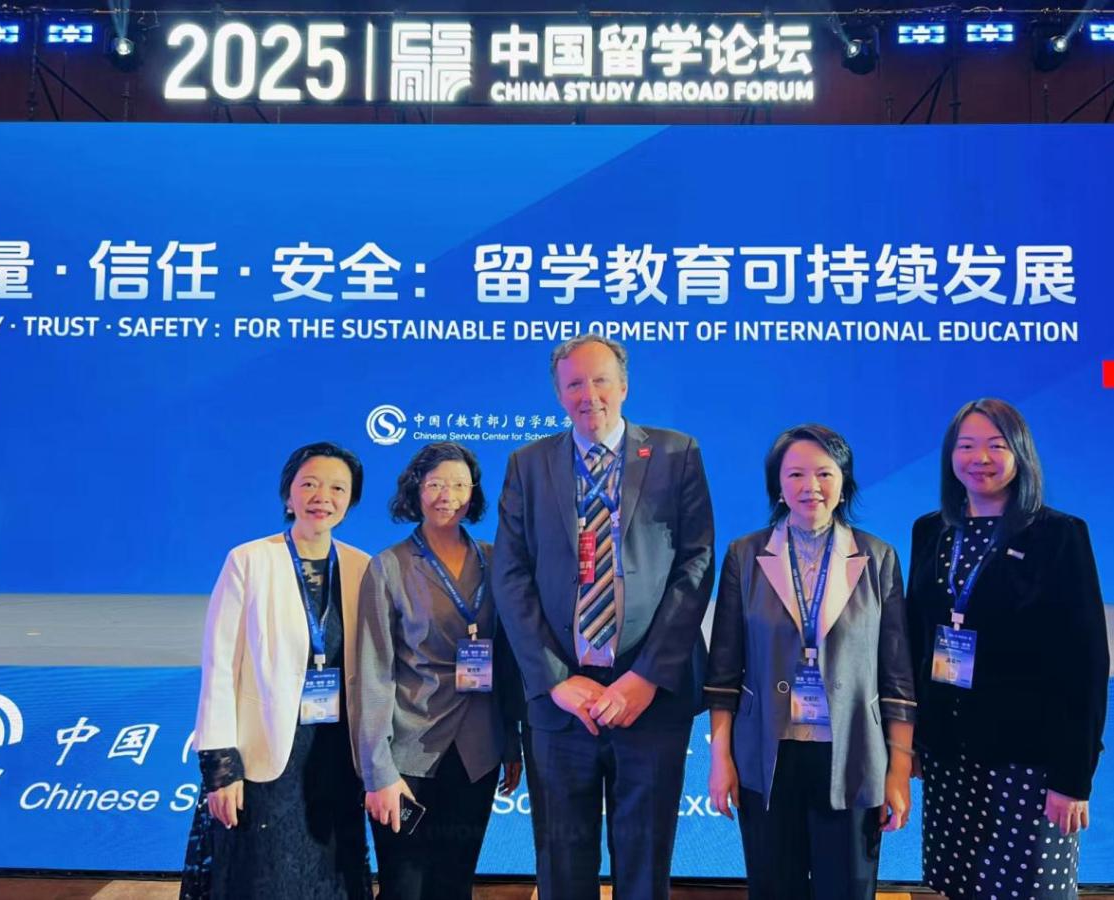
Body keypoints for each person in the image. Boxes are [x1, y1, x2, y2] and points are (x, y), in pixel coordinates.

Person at [492, 334, 715, 900]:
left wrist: (647, 677)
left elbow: (695, 566)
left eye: (599, 381)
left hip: (648, 697)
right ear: (558, 393)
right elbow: (511, 576)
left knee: (644, 865)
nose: (588, 395)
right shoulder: (528, 464)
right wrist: (555, 679)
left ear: (624, 386)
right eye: (574, 384)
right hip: (560, 702)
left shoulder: (675, 454)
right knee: (561, 864)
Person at [907, 399, 1109, 900]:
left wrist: (1072, 778)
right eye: (967, 446)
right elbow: (915, 639)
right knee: (959, 886)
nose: (980, 458)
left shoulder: (1058, 536)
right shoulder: (930, 532)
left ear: (1020, 453)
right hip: (950, 759)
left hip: (1029, 765)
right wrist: (911, 743)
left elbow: (1085, 665)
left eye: (996, 446)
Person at [706, 425, 917, 900]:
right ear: (778, 486)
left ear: (844, 483)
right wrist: (721, 759)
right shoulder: (745, 555)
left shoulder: (877, 557)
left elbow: (897, 677)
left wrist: (898, 770)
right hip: (767, 755)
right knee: (773, 889)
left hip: (853, 754)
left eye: (825, 473)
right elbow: (723, 673)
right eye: (796, 474)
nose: (811, 486)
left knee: (847, 890)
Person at [181, 442, 372, 900]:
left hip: (336, 755)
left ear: (350, 500)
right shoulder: (248, 561)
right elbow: (220, 666)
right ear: (289, 493)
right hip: (265, 754)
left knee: (330, 876)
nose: (322, 497)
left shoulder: (362, 566)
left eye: (337, 488)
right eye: (309, 484)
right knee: (265, 876)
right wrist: (221, 767)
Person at [356, 442, 523, 900]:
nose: (447, 495)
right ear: (416, 490)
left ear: (474, 493)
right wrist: (377, 771)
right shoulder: (388, 567)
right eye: (435, 485)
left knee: (454, 881)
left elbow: (508, 660)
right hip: (408, 752)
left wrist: (511, 742)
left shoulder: (496, 560)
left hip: (478, 751)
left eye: (458, 485)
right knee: (404, 885)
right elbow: (372, 673)